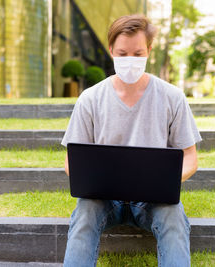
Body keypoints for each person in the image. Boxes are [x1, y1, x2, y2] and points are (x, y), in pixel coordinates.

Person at [60, 14, 202, 267]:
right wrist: (91, 181)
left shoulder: (173, 97)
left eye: (138, 54)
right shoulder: (90, 99)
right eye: (123, 53)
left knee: (173, 215)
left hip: (153, 199)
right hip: (104, 199)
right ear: (111, 50)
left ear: (149, 51)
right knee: (84, 212)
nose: (130, 61)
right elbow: (72, 160)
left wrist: (164, 180)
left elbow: (190, 157)